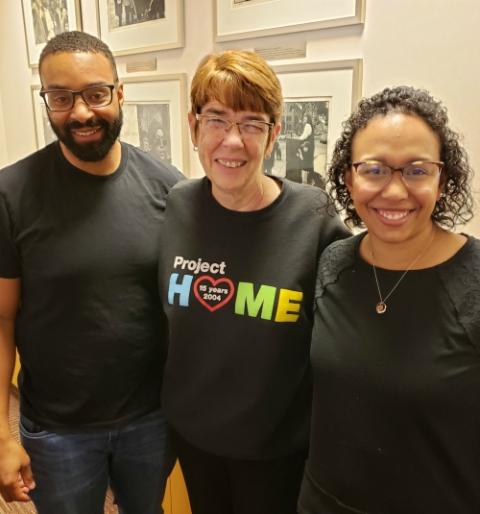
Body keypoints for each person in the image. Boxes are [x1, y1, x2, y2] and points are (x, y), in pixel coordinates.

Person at [157, 50, 350, 514]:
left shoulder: (315, 217)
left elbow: (345, 341)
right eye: (217, 120)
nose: (232, 141)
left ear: (274, 134)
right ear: (193, 125)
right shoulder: (178, 206)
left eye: (252, 124)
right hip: (194, 440)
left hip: (278, 451)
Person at [0, 31, 182, 514]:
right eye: (60, 97)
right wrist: (2, 434)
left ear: (120, 94)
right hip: (58, 431)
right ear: (46, 102)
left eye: (96, 94)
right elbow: (1, 321)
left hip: (151, 420)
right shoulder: (11, 195)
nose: (80, 112)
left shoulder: (171, 191)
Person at [298, 86, 478, 514]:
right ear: (348, 177)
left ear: (443, 178)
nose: (395, 192)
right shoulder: (333, 263)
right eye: (374, 170)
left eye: (417, 170)